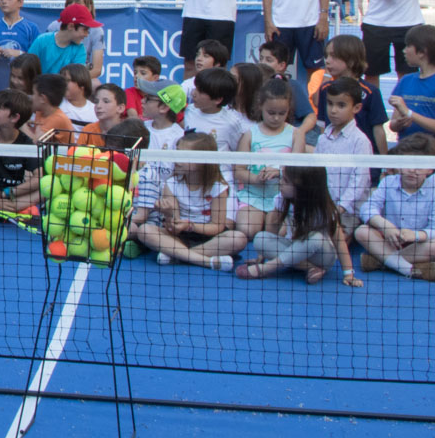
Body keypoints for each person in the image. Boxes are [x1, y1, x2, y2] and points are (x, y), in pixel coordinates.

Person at [133, 131, 242, 271]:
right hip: (179, 237)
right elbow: (173, 228)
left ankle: (176, 255)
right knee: (145, 231)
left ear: (202, 161)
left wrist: (190, 226)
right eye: (177, 153)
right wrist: (168, 214)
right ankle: (206, 261)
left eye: (183, 155)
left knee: (238, 238)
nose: (177, 159)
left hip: (209, 237)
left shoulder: (219, 187)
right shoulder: (171, 184)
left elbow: (217, 226)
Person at [235, 165, 360, 287]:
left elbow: (339, 242)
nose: (280, 183)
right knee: (260, 239)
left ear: (301, 187)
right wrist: (262, 255)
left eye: (285, 180)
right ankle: (310, 268)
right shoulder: (281, 199)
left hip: (321, 256)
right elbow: (273, 226)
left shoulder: (323, 210)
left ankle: (266, 269)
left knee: (315, 238)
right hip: (294, 249)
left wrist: (349, 274)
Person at [353, 132, 435, 281]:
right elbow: (367, 208)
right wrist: (385, 225)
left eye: (420, 165)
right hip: (388, 241)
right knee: (361, 231)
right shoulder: (387, 182)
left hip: (416, 246)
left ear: (430, 169)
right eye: (407, 162)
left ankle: (380, 261)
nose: (412, 170)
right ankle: (408, 268)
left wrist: (416, 235)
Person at [231, 79, 304, 240]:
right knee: (247, 230)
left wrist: (279, 173)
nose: (276, 118)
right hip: (253, 196)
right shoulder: (250, 134)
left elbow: (298, 171)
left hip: (283, 199)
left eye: (282, 113)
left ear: (289, 109)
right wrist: (256, 178)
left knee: (281, 234)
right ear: (260, 106)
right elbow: (239, 171)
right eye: (271, 113)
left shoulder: (296, 134)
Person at [387, 25, 435, 153]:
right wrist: (399, 123)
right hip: (406, 154)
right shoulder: (406, 80)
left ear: (422, 52)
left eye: (408, 46)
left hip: (434, 157)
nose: (404, 51)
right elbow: (393, 125)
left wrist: (409, 113)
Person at [310, 77, 373, 224]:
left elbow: (359, 183)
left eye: (341, 105)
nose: (333, 110)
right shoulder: (323, 139)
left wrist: (339, 208)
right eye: (330, 104)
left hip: (349, 213)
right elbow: (315, 174)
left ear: (356, 108)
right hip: (323, 208)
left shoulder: (360, 141)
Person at [30, 3, 100, 76]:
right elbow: (28, 69)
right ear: (70, 26)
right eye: (85, 30)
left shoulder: (80, 49)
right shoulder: (42, 40)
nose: (86, 35)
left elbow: (76, 79)